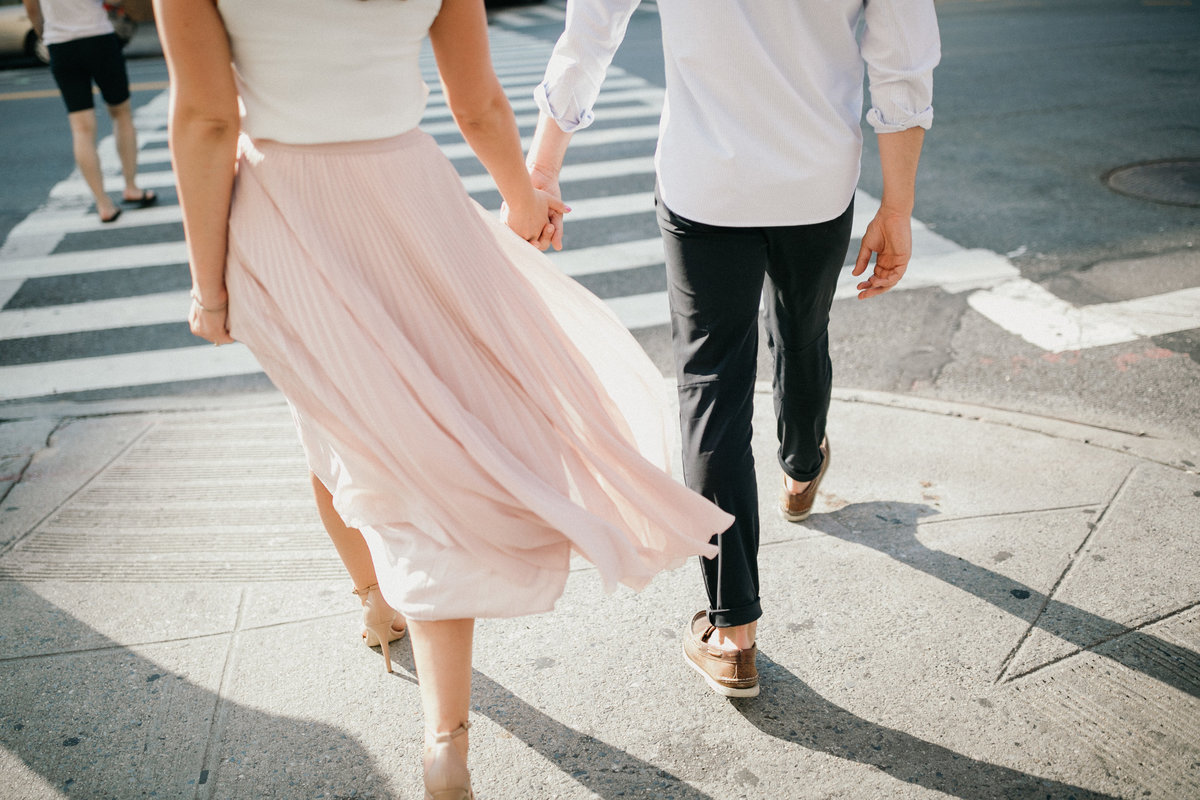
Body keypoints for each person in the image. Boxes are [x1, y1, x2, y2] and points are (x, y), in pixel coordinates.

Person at [153, 0, 734, 796]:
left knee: (341, 426)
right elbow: (479, 104)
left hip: (286, 208)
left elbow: (208, 120)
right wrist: (524, 200)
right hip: (410, 196)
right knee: (427, 441)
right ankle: (443, 740)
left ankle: (374, 604)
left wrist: (209, 285)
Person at [526, 0, 941, 699]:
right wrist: (895, 206)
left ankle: (733, 634)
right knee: (803, 330)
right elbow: (903, 62)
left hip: (705, 182)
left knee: (711, 388)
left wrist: (542, 167)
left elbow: (592, 31)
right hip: (816, 180)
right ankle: (803, 464)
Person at [23, 0, 156, 223]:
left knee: (81, 128)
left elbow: (31, 8)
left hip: (60, 44)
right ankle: (131, 187)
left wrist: (44, 34)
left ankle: (103, 204)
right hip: (98, 37)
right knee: (121, 114)